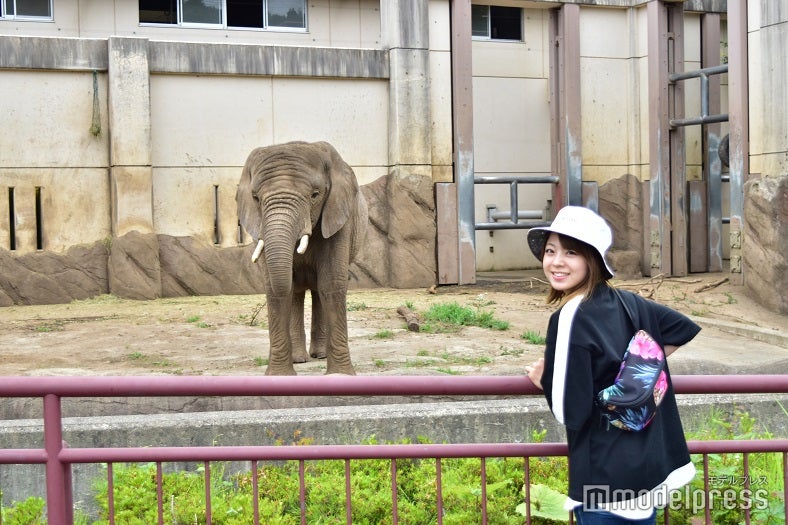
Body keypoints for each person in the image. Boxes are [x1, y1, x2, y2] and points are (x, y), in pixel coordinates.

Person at [524, 206, 700, 525]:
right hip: (647, 474)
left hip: (604, 482)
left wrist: (546, 380)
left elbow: (569, 412)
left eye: (571, 252)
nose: (556, 262)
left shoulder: (570, 316)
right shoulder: (628, 302)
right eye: (550, 251)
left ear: (592, 258)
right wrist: (634, 372)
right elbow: (682, 328)